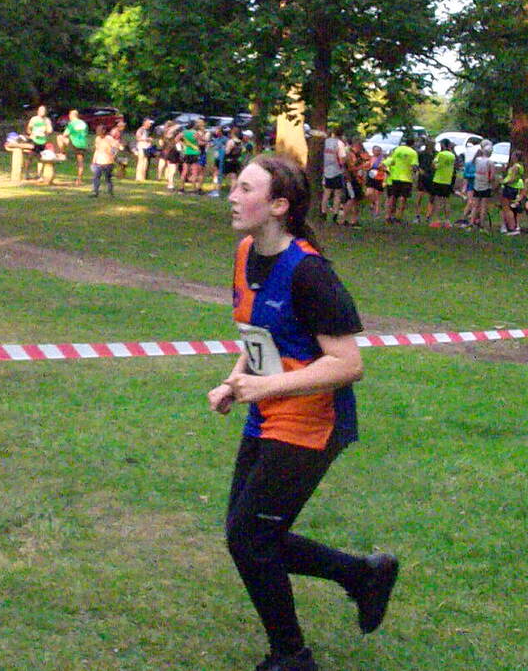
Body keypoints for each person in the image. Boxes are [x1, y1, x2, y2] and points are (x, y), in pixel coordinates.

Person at [209, 155, 399, 671]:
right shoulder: (246, 252)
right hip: (268, 411)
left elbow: (348, 364)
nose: (232, 196)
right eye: (234, 186)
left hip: (314, 420)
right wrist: (233, 381)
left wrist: (265, 385)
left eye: (244, 189)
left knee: (250, 539)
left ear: (278, 206)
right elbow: (259, 334)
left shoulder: (310, 272)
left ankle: (291, 656)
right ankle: (362, 575)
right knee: (249, 536)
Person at [383, 139, 419, 224]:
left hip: (395, 177)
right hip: (406, 178)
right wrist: (414, 173)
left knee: (393, 197)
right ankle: (398, 217)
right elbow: (414, 166)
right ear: (413, 144)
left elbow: (392, 161)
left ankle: (389, 216)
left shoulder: (398, 149)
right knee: (403, 198)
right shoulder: (413, 152)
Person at [427, 139, 458, 228]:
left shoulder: (440, 154)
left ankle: (437, 220)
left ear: (443, 145)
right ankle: (447, 220)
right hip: (447, 180)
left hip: (438, 179)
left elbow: (434, 165)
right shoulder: (452, 155)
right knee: (446, 201)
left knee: (437, 200)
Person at [320, 127, 348, 222]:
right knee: (337, 194)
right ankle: (335, 214)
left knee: (326, 193)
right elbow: (342, 159)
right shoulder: (339, 143)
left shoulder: (326, 142)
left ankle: (323, 212)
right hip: (337, 171)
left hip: (326, 170)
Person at [90, 121, 124, 197]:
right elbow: (97, 149)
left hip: (108, 162)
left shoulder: (109, 138)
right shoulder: (97, 139)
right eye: (97, 130)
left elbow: (116, 147)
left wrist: (114, 154)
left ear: (104, 131)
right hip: (98, 162)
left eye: (99, 130)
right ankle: (95, 192)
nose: (97, 132)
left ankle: (110, 192)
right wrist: (94, 160)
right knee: (96, 177)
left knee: (108, 178)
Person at [468, 140, 496, 232]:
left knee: (475, 205)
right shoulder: (490, 162)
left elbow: (473, 163)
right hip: (486, 186)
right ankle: (481, 225)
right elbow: (492, 176)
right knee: (483, 206)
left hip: (477, 184)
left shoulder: (477, 160)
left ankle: (471, 223)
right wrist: (492, 184)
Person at [499, 151, 524, 235]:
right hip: (514, 188)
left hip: (510, 187)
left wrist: (503, 182)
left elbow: (512, 178)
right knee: (507, 208)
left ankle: (512, 227)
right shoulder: (520, 166)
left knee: (507, 208)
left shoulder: (516, 167)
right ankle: (509, 226)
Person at [64, 109, 91, 186]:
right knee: (80, 163)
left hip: (74, 144)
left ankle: (62, 153)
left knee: (60, 137)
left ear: (71, 116)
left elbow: (65, 134)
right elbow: (86, 133)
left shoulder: (71, 124)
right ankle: (79, 180)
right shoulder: (83, 123)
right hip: (83, 144)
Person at [26, 105, 54, 177]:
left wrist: (47, 131)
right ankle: (27, 173)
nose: (42, 112)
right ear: (38, 111)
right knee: (30, 157)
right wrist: (31, 134)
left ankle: (39, 174)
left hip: (43, 141)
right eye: (41, 110)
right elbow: (28, 129)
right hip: (34, 140)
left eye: (44, 111)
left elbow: (50, 130)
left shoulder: (47, 120)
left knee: (41, 158)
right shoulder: (34, 119)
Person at [364, 145, 387, 218]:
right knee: (368, 193)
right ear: (373, 151)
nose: (377, 152)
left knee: (377, 196)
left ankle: (376, 213)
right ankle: (372, 203)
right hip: (370, 178)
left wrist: (385, 181)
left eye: (378, 150)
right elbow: (365, 167)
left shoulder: (383, 160)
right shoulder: (370, 158)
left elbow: (386, 170)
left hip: (379, 179)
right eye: (375, 150)